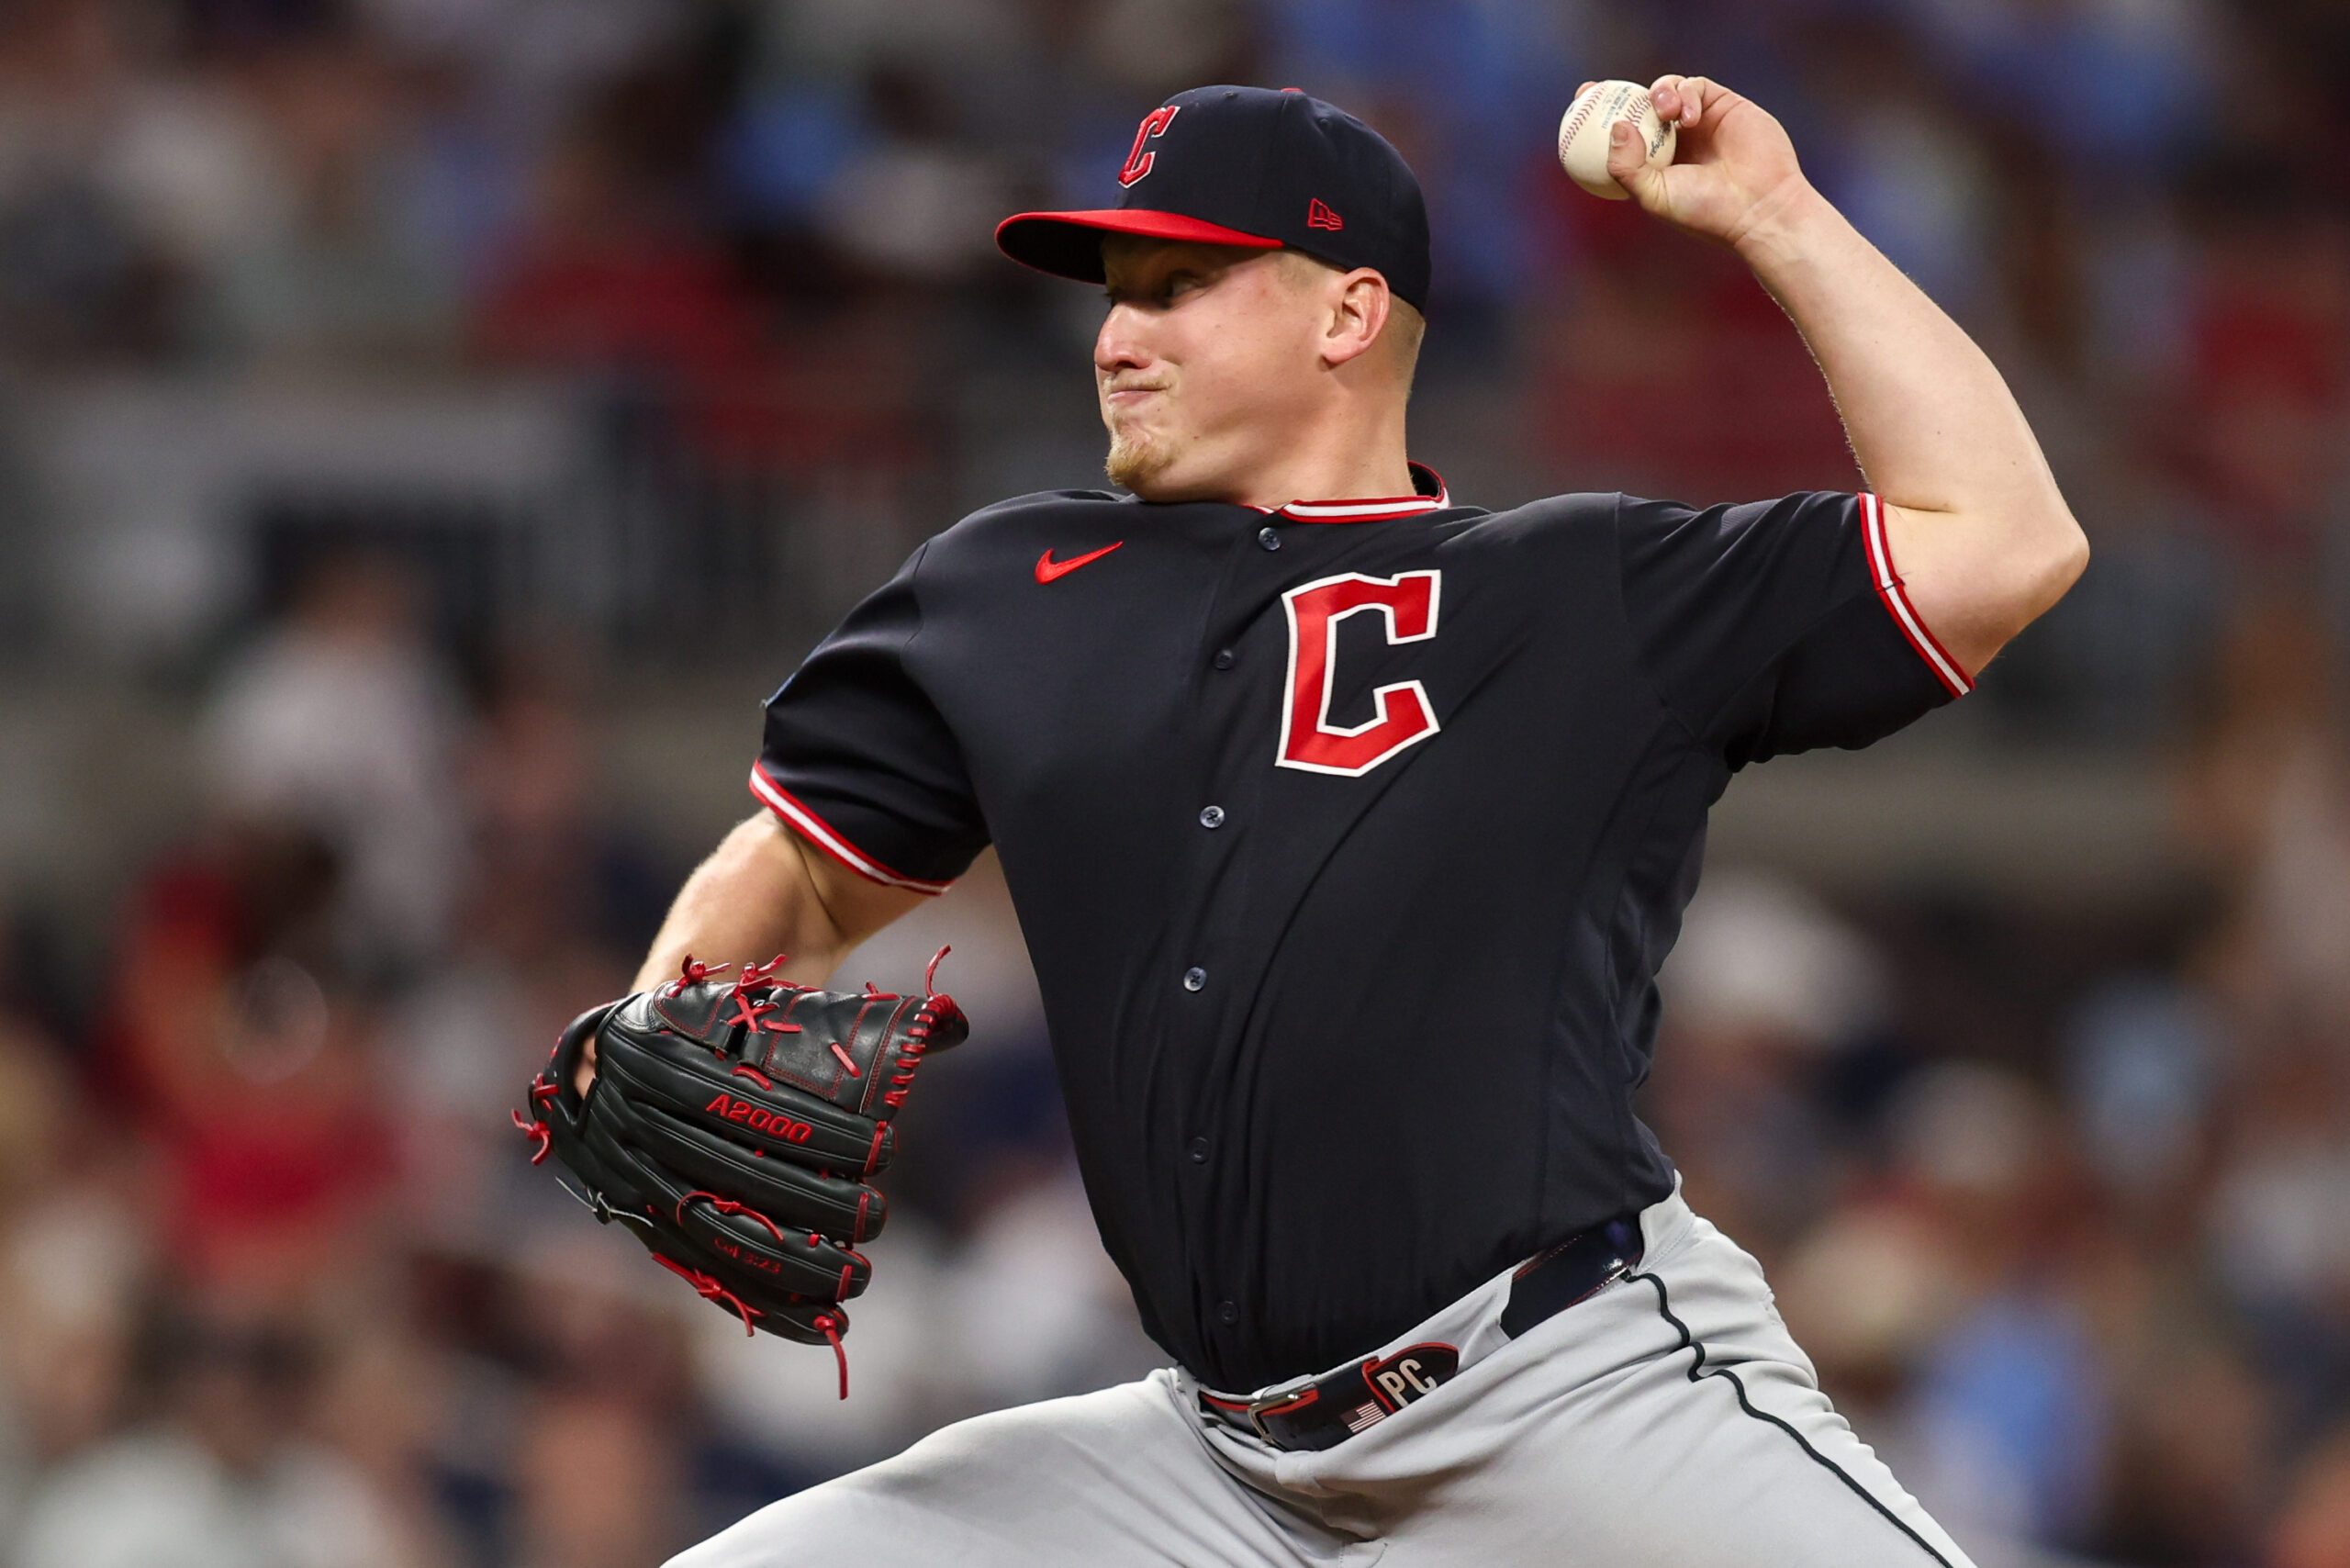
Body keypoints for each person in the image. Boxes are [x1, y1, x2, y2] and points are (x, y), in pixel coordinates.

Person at [604, 79, 2085, 1565]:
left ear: (1349, 314)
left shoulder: (1582, 594)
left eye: (1179, 287)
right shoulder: (1007, 592)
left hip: (1562, 1400)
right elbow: (806, 865)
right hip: (1208, 1469)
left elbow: (2005, 543)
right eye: (1118, 293)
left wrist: (1773, 213)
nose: (1118, 337)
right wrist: (674, 1010)